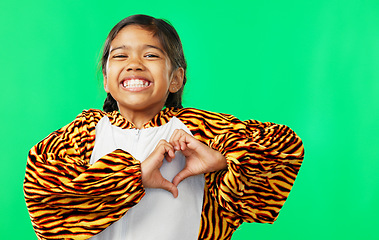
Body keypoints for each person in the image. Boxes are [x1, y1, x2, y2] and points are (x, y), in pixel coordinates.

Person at [23, 14, 304, 240]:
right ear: (106, 80)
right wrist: (135, 177)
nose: (134, 64)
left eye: (151, 56)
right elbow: (44, 195)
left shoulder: (200, 130)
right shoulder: (85, 131)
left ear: (176, 79)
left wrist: (222, 161)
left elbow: (284, 145)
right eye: (120, 56)